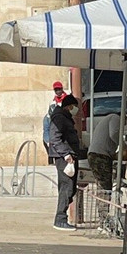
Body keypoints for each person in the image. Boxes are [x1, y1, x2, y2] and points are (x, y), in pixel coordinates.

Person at [47, 94, 81, 231]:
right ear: (70, 106)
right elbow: (54, 138)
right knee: (66, 187)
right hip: (64, 158)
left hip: (69, 156)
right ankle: (60, 219)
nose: (76, 110)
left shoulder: (65, 117)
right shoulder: (60, 118)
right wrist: (66, 154)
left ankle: (62, 217)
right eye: (75, 107)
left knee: (70, 187)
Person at [87, 111, 120, 193]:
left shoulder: (106, 119)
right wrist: (123, 145)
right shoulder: (115, 117)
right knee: (105, 187)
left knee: (101, 186)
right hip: (100, 155)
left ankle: (101, 205)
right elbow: (114, 134)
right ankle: (104, 205)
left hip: (94, 154)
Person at [42, 80, 66, 151]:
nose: (58, 91)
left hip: (59, 119)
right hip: (51, 118)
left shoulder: (66, 98)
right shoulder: (53, 100)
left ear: (62, 89)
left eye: (59, 89)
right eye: (56, 90)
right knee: (46, 123)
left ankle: (50, 142)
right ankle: (48, 142)